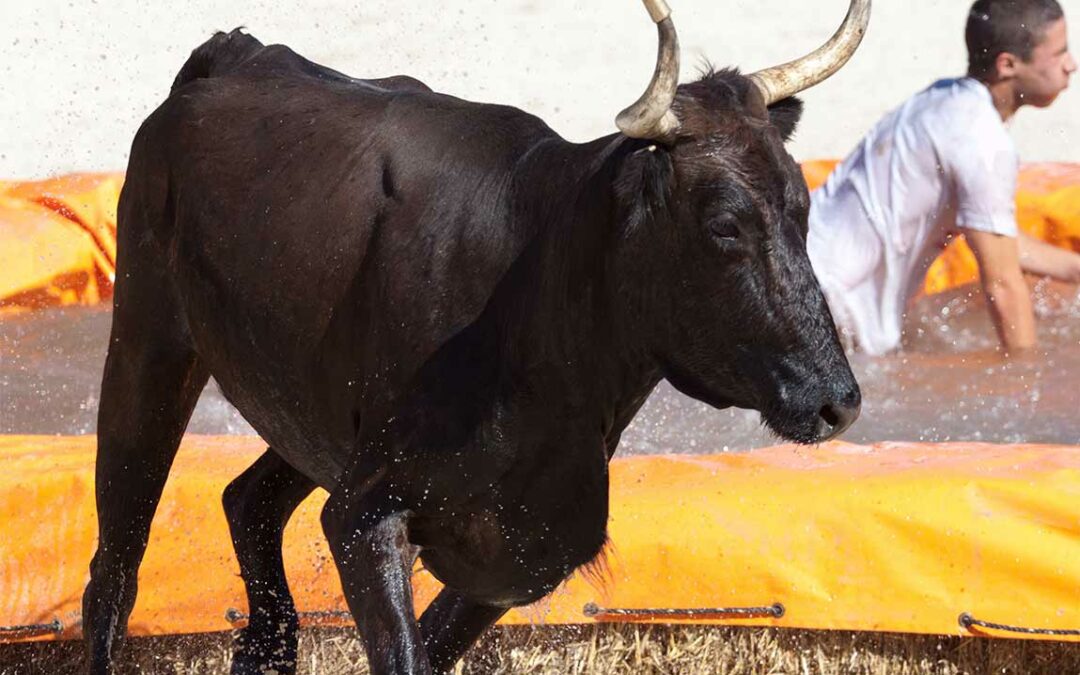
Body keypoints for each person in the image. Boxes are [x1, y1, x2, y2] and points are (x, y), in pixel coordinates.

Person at [807, 0, 1080, 356]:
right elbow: (1002, 283)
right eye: (1060, 53)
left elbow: (998, 240)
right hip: (827, 320)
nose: (1071, 65)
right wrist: (1030, 385)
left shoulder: (943, 99)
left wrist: (1073, 268)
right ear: (1008, 64)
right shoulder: (983, 141)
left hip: (803, 277)